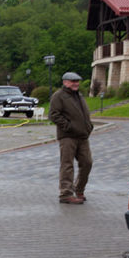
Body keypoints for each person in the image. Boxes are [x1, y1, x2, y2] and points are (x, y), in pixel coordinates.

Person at [49, 71, 94, 204]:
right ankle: (65, 194)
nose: (76, 83)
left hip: (82, 136)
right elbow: (53, 115)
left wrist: (88, 127)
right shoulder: (59, 96)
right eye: (73, 81)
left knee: (87, 163)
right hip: (68, 137)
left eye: (77, 81)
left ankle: (79, 189)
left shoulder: (78, 95)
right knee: (67, 165)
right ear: (65, 82)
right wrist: (68, 127)